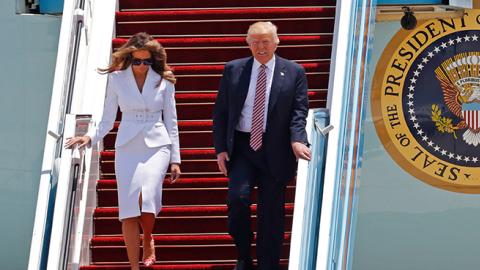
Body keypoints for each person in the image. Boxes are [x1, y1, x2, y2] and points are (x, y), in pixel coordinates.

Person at [65, 32, 181, 269]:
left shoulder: (164, 80)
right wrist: (89, 136)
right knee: (128, 208)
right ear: (129, 58)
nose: (141, 66)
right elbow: (108, 120)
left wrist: (175, 159)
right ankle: (134, 266)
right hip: (128, 146)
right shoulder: (117, 79)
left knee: (146, 196)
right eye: (136, 61)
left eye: (146, 61)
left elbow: (172, 121)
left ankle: (148, 237)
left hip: (157, 145)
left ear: (153, 59)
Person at [213, 22, 311, 270]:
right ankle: (244, 255)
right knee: (238, 199)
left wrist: (297, 139)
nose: (260, 46)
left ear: (277, 42)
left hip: (275, 147)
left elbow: (299, 111)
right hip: (243, 146)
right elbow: (221, 112)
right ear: (248, 43)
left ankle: (268, 264)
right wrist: (220, 148)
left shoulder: (294, 71)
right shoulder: (233, 69)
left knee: (271, 213)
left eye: (266, 41)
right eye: (255, 41)